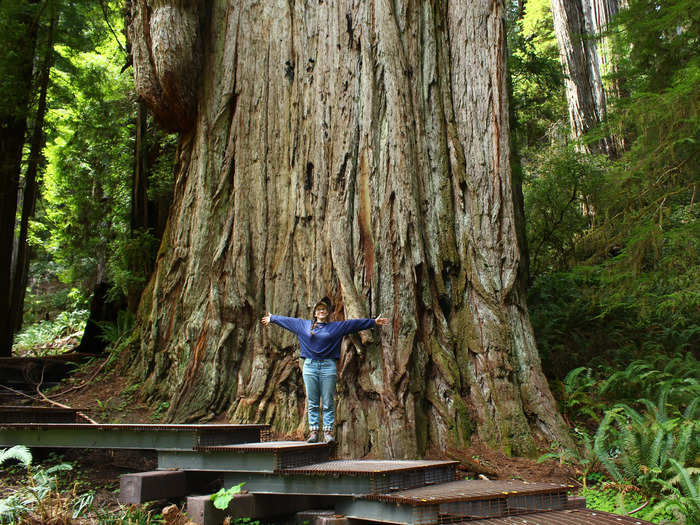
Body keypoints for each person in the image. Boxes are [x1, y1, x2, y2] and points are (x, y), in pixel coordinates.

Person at [261, 297, 388, 444]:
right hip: (310, 366)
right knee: (313, 400)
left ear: (327, 313)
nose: (321, 311)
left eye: (324, 310)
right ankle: (314, 432)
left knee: (328, 401)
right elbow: (288, 321)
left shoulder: (335, 327)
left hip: (328, 366)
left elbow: (352, 324)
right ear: (315, 313)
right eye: (319, 310)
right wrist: (273, 318)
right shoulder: (304, 325)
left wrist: (373, 322)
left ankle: (328, 432)